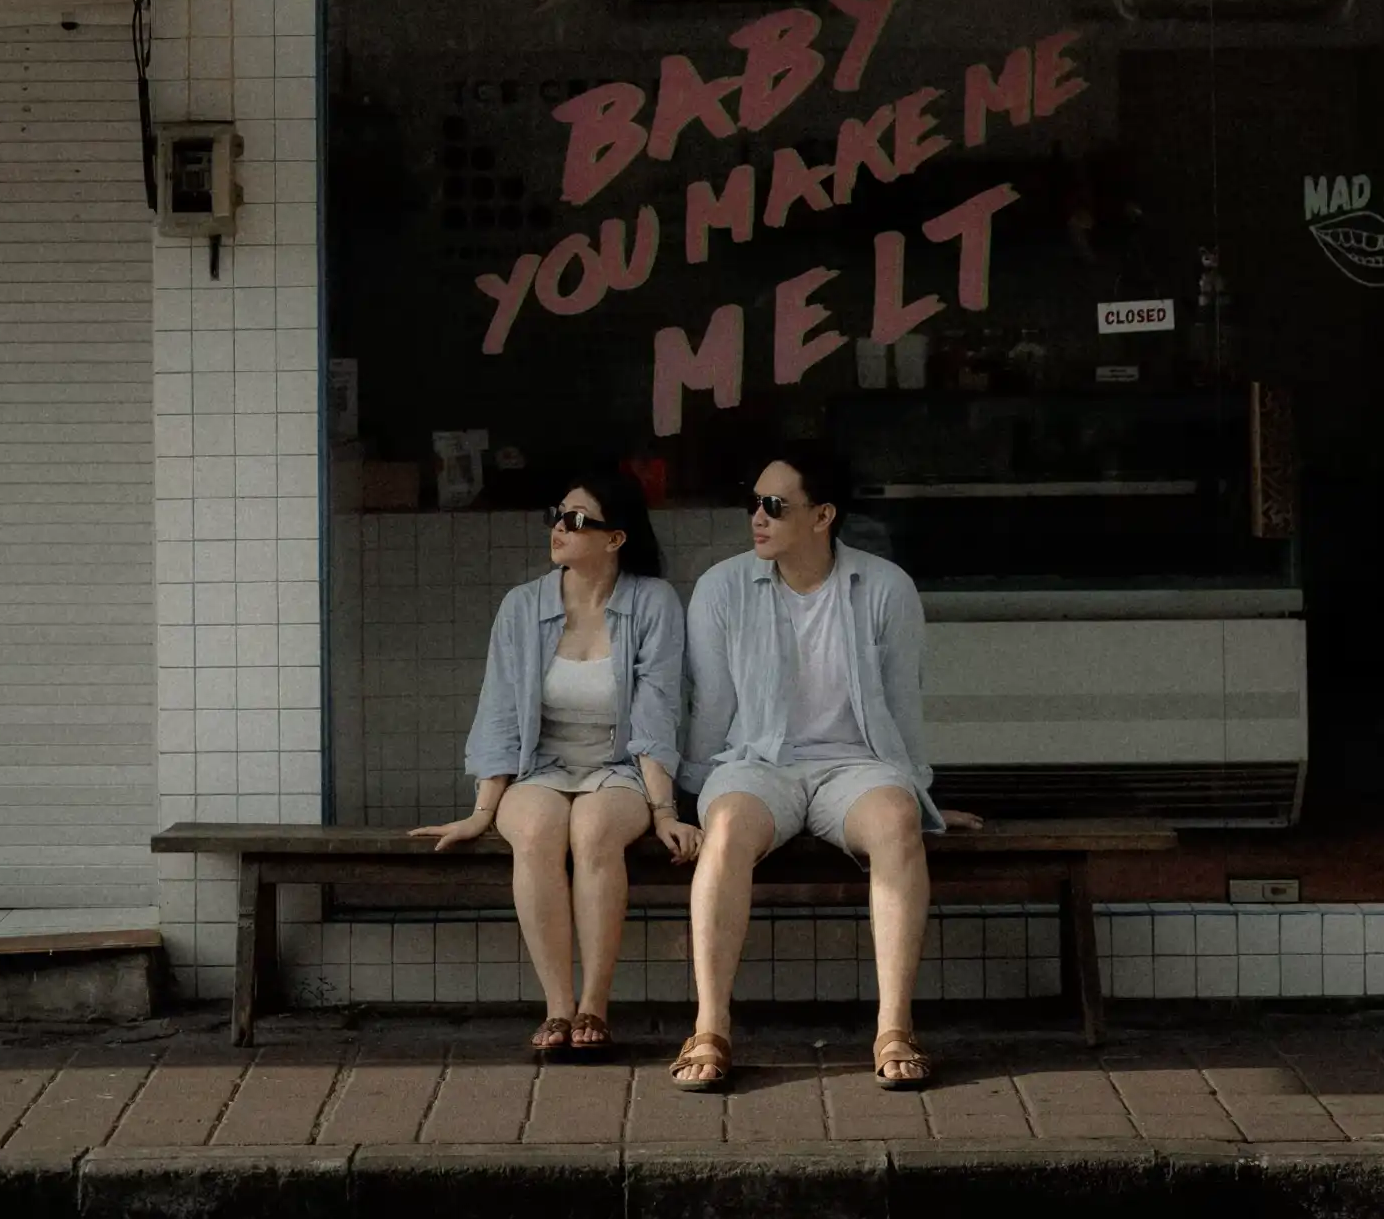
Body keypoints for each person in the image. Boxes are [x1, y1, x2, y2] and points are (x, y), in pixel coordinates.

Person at [673, 446, 979, 1093]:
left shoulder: (884, 587)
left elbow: (902, 702)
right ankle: (710, 1026)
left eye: (774, 506)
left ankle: (894, 1027)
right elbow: (710, 709)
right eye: (753, 503)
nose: (757, 517)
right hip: (757, 763)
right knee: (725, 830)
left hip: (856, 766)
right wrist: (688, 799)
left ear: (822, 516)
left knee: (895, 821)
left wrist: (917, 795)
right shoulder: (723, 588)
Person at [411, 468, 698, 1058]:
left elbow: (657, 711)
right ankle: (558, 1008)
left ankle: (595, 1005)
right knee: (538, 830)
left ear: (614, 538)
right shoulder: (522, 606)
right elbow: (499, 712)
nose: (558, 528)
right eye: (556, 515)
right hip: (539, 766)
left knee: (594, 830)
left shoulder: (652, 602)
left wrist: (664, 810)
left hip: (619, 768)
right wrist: (482, 810)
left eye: (575, 519)